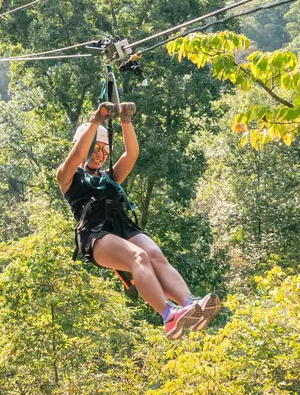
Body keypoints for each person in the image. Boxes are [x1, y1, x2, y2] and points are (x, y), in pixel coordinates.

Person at [57, 100, 221, 338]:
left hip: (123, 228)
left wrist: (126, 121)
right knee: (138, 256)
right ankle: (168, 314)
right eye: (96, 148)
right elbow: (78, 154)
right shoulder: (67, 176)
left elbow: (131, 154)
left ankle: (189, 304)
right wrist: (96, 120)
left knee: (155, 255)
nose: (101, 154)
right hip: (95, 235)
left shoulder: (109, 177)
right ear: (83, 146)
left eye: (105, 149)